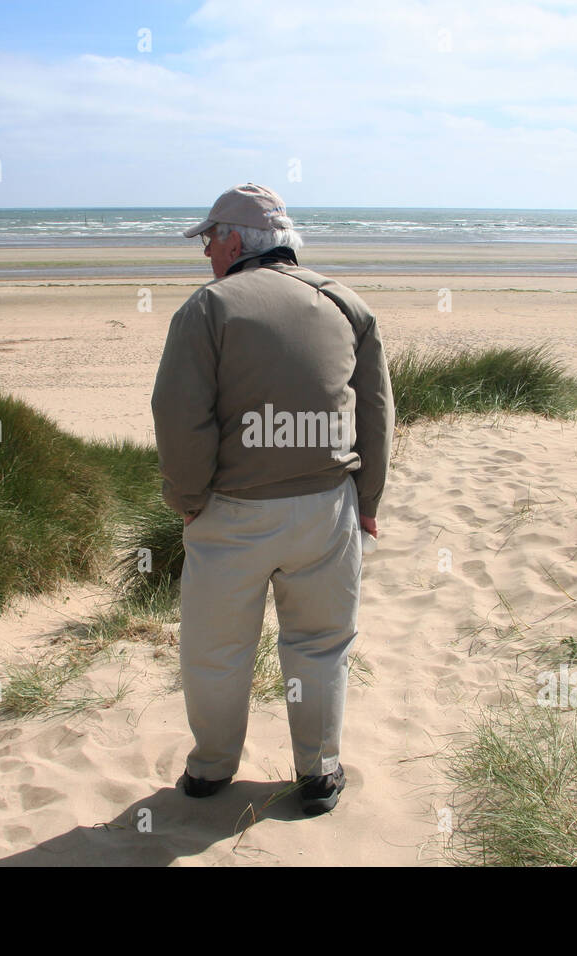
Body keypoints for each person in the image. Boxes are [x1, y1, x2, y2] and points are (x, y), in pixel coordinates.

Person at [150, 182, 394, 814]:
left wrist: (188, 497)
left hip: (233, 509)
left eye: (209, 238)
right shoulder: (345, 303)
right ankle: (318, 772)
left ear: (234, 239)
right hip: (328, 507)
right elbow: (376, 411)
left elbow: (180, 415)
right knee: (318, 644)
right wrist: (368, 499)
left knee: (216, 648)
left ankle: (210, 771)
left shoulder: (209, 307)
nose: (206, 251)